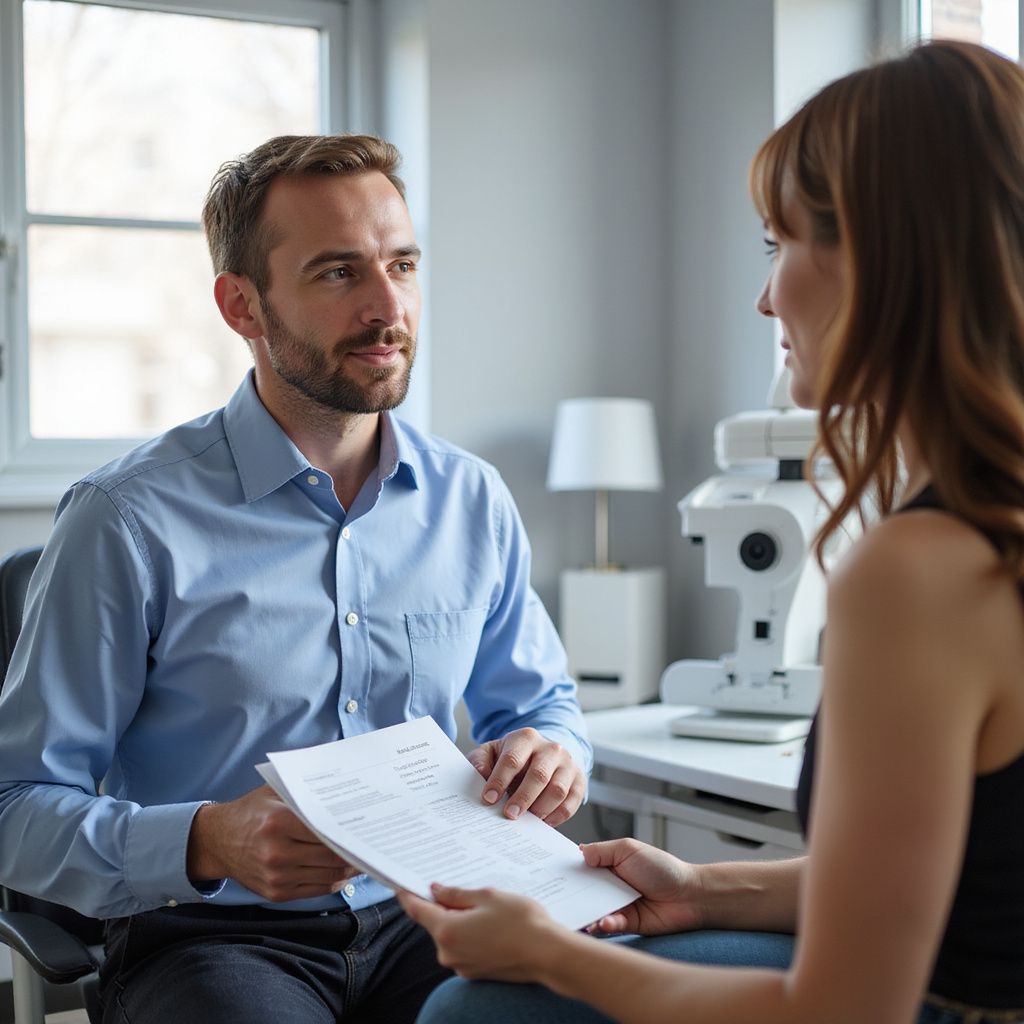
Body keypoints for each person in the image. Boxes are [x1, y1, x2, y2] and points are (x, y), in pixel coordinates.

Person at [399, 40, 1024, 1024]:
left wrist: (551, 958)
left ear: (882, 259)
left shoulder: (917, 571)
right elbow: (962, 878)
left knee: (472, 1013)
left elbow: (845, 1011)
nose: (765, 297)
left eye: (780, 246)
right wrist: (698, 882)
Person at [0, 134, 591, 1024]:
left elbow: (543, 709)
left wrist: (552, 755)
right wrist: (208, 839)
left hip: (437, 919)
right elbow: (15, 809)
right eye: (337, 273)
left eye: (401, 264)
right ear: (242, 305)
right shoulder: (124, 519)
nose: (388, 306)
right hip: (208, 937)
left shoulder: (473, 500)